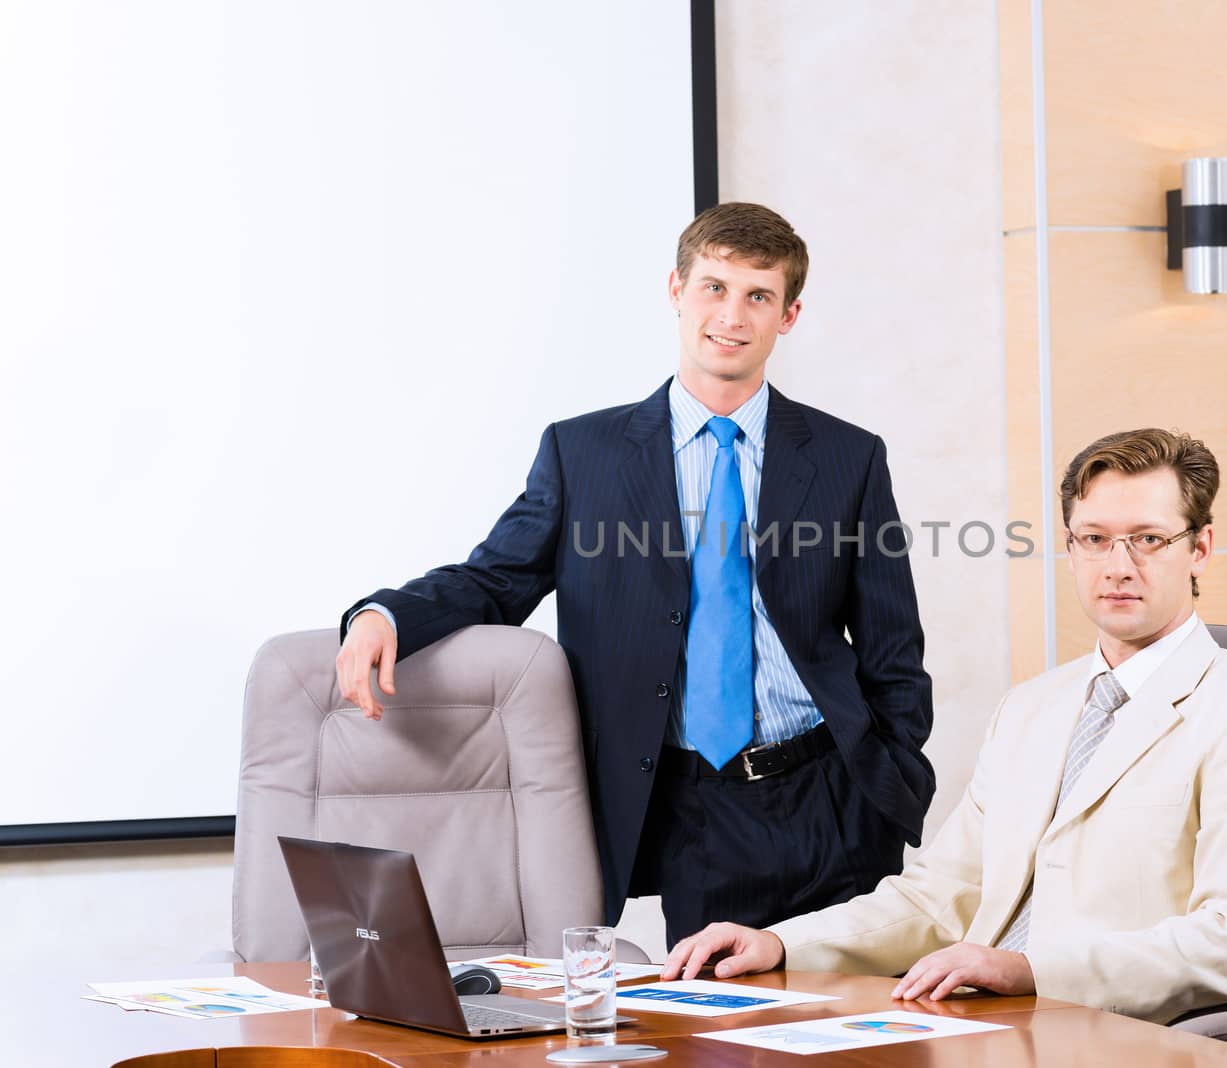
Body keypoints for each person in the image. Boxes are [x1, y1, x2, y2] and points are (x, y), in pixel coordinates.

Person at [333, 203, 935, 943]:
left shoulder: (849, 457)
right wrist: (383, 615)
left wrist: (890, 783)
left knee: (851, 1043)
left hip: (830, 795)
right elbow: (496, 581)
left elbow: (892, 650)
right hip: (687, 802)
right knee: (722, 1041)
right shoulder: (584, 454)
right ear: (676, 291)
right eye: (714, 287)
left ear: (790, 315)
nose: (733, 315)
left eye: (758, 296)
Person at [661, 428, 1227, 1025]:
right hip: (969, 1025)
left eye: (1148, 539)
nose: (1118, 566)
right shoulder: (1031, 708)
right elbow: (940, 898)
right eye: (1094, 539)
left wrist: (1029, 971)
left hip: (1106, 1031)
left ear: (1200, 547)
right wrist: (780, 942)